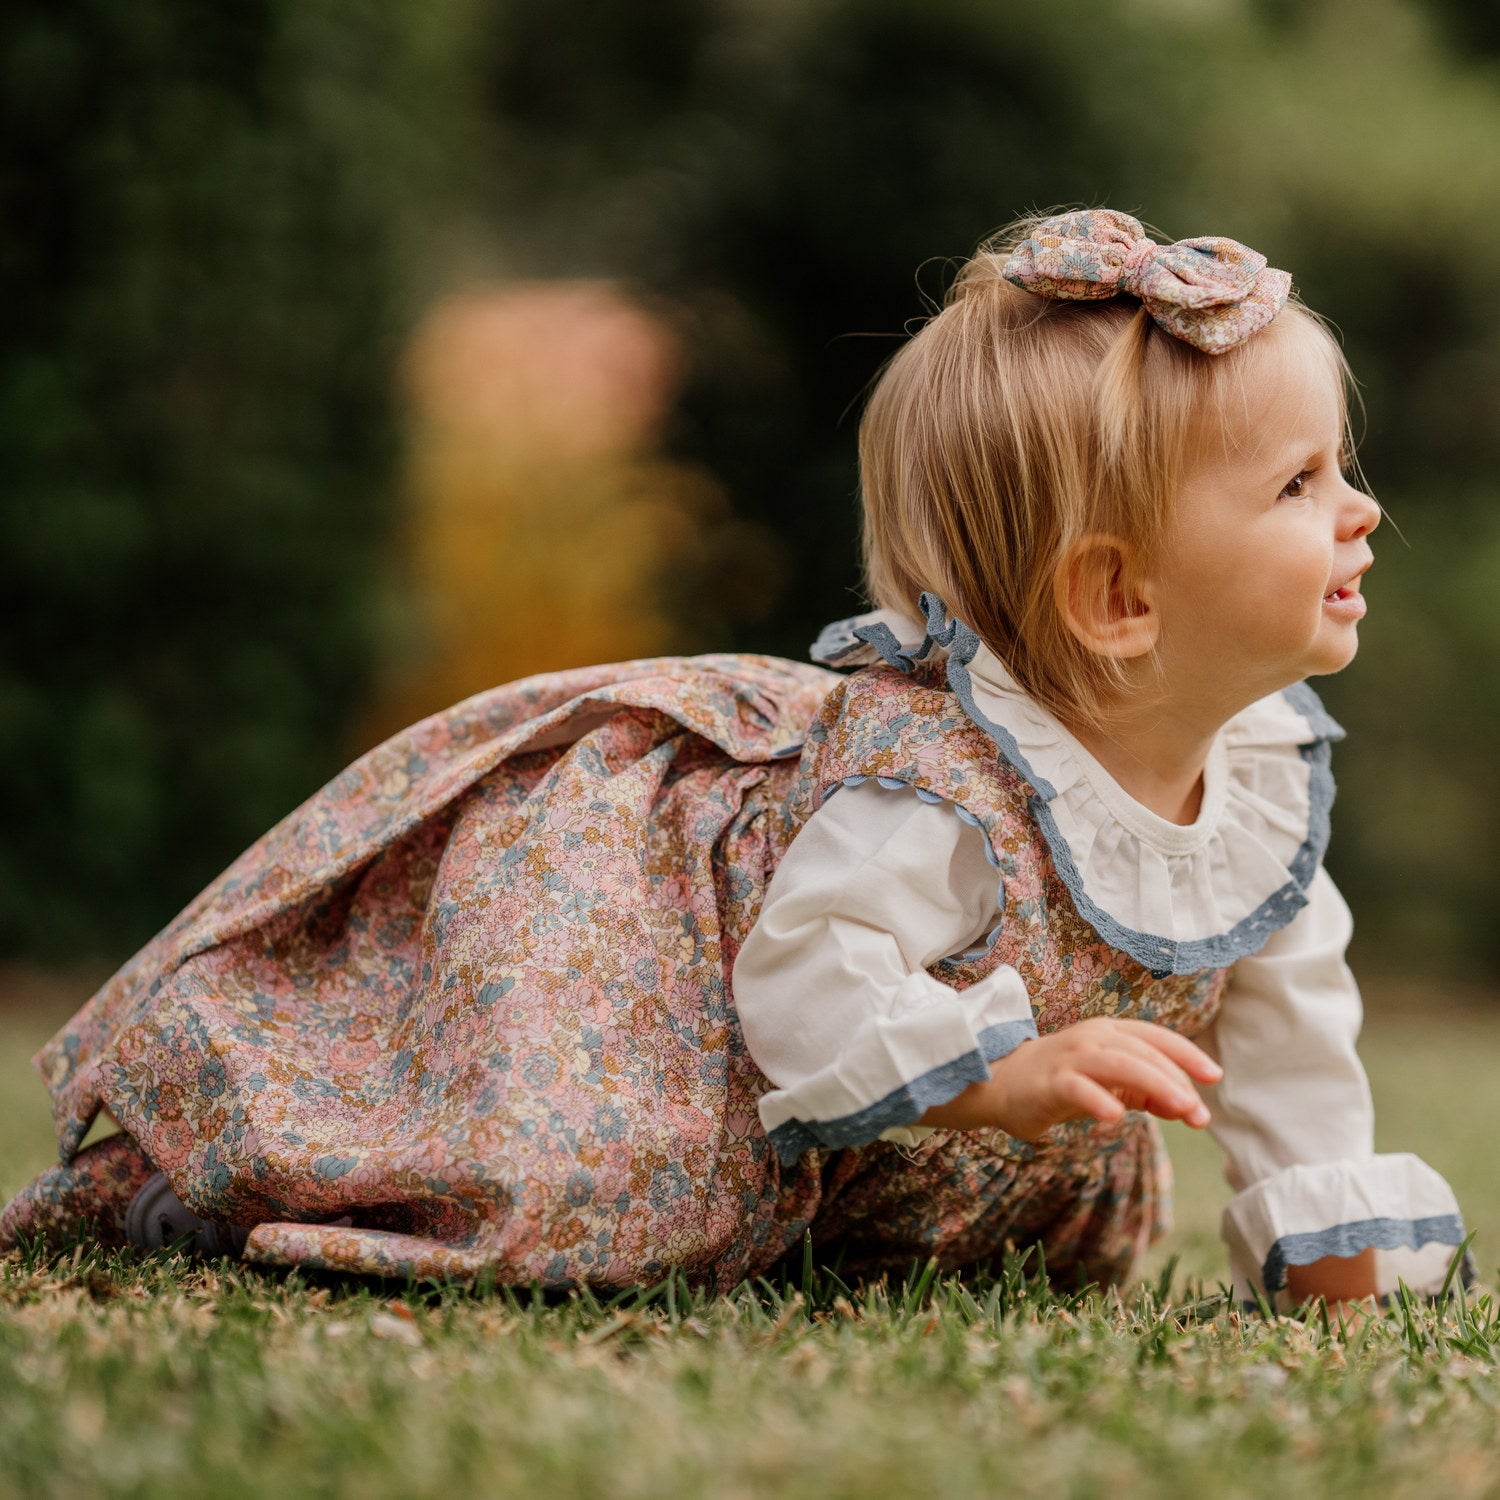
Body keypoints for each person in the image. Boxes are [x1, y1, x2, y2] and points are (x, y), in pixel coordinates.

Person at [0, 209, 1470, 1312]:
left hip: (916, 1174)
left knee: (1040, 1251)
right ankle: (215, 1192)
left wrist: (1326, 1247)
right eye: (1300, 482)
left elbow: (1293, 1041)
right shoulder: (938, 783)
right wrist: (1000, 1076)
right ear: (1117, 597)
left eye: (1337, 467)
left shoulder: (1259, 785)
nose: (1360, 509)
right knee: (595, 1202)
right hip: (711, 1039)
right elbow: (810, 972)